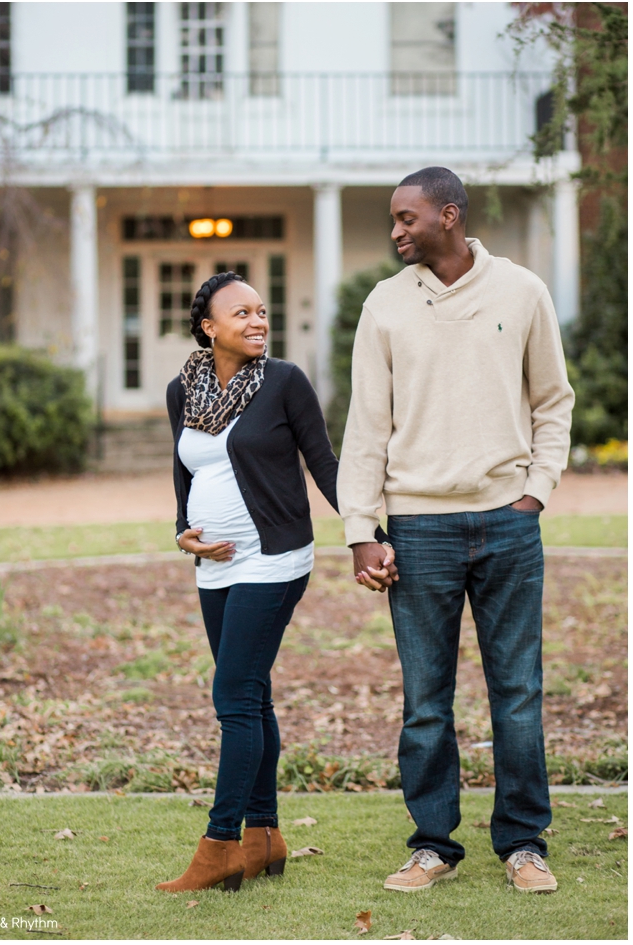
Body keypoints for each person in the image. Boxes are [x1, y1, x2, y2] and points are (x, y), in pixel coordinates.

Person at [337, 167, 574, 894]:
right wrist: (360, 529)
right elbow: (367, 425)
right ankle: (432, 844)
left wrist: (534, 495)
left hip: (508, 525)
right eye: (392, 219)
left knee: (518, 692)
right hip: (417, 529)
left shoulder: (523, 291)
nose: (396, 231)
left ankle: (524, 844)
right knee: (426, 701)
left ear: (449, 215)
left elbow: (552, 401)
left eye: (407, 218)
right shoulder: (384, 305)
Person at [157, 271, 395, 894]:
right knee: (252, 696)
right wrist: (183, 530)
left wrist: (364, 532)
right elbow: (185, 475)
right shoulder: (182, 390)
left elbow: (324, 463)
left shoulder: (285, 383)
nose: (258, 321)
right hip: (214, 563)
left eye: (262, 311)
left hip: (274, 558)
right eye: (242, 313)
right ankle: (264, 836)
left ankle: (219, 847)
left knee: (233, 697)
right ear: (209, 327)